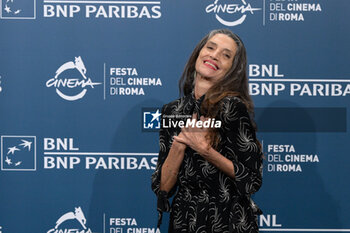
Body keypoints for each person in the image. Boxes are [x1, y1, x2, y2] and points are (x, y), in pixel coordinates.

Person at [151, 29, 263, 233]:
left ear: (232, 69)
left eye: (226, 55)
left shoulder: (232, 108)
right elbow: (163, 188)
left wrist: (206, 151)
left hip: (226, 219)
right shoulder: (172, 111)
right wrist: (178, 145)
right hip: (184, 219)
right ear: (198, 53)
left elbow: (251, 180)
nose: (214, 55)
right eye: (210, 48)